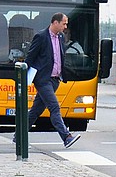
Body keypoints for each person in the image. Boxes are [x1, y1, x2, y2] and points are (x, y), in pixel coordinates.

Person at [24, 12, 79, 148]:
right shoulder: (41, 36)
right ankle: (66, 137)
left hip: (55, 80)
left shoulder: (60, 37)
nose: (65, 26)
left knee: (36, 111)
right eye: (63, 23)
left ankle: (19, 134)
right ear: (55, 22)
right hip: (43, 80)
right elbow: (31, 57)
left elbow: (60, 57)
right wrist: (23, 75)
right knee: (54, 107)